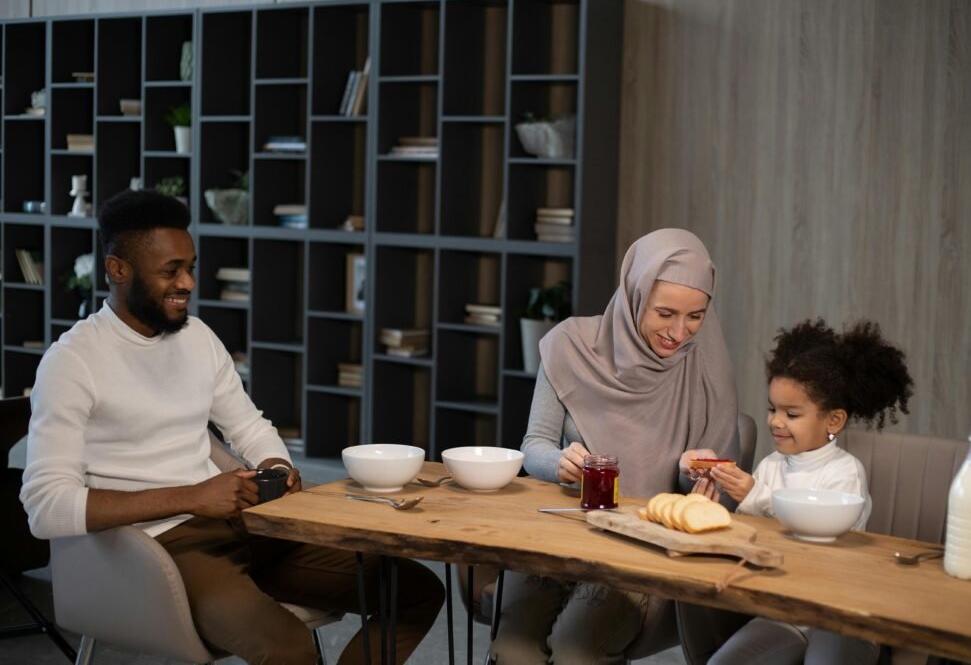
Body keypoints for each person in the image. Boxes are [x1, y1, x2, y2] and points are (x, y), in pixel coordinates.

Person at [20, 190, 444, 665]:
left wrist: (275, 463)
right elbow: (45, 507)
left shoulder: (198, 338)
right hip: (158, 549)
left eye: (191, 266)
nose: (188, 282)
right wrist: (191, 496)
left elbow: (247, 423)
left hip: (240, 523)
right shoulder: (73, 362)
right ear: (118, 270)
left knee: (414, 591)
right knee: (288, 649)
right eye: (170, 271)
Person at [489, 228, 740, 664]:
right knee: (514, 648)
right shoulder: (571, 346)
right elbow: (535, 445)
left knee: (574, 648)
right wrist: (559, 462)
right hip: (563, 529)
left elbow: (703, 498)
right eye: (665, 313)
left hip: (642, 549)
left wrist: (690, 470)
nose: (679, 332)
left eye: (695, 316)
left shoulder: (707, 373)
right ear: (634, 294)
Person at [704, 318, 914, 665]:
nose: (775, 421)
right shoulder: (771, 465)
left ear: (833, 421)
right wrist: (720, 504)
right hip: (786, 612)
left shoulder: (845, 472)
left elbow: (822, 536)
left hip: (841, 615)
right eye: (772, 409)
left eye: (792, 413)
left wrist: (756, 495)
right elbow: (752, 535)